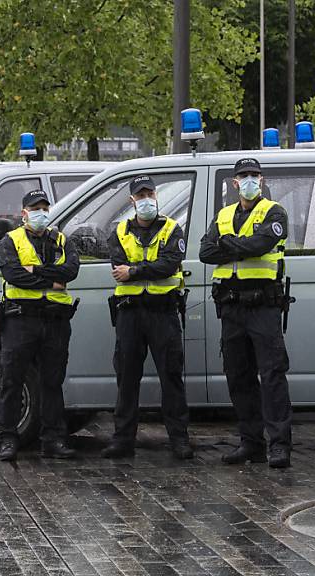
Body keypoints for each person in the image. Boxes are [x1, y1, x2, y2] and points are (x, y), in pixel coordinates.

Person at [199, 158, 293, 469]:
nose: (249, 180)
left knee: (272, 376)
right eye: (244, 176)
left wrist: (229, 244)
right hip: (231, 306)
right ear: (235, 182)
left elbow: (263, 242)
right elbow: (204, 252)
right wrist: (240, 245)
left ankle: (279, 446)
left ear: (262, 180)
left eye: (254, 175)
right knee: (238, 377)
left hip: (263, 307)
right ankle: (251, 443)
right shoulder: (224, 215)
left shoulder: (274, 211)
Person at [102, 175, 193, 460]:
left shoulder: (171, 228)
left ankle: (179, 439)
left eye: (149, 194)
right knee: (127, 378)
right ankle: (123, 440)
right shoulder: (119, 232)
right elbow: (119, 268)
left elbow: (169, 264)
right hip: (130, 313)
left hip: (163, 312)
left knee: (171, 377)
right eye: (139, 196)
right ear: (132, 200)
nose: (145, 200)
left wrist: (135, 271)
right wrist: (139, 269)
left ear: (156, 196)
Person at [0, 189, 79, 461]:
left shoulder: (62, 240)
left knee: (52, 382)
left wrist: (36, 271)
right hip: (21, 319)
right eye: (35, 208)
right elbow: (14, 275)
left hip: (54, 319)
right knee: (12, 380)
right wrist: (51, 280)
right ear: (24, 213)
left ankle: (53, 438)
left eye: (44, 207)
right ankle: (7, 438)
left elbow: (70, 272)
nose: (40, 213)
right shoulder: (11, 240)